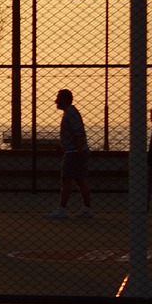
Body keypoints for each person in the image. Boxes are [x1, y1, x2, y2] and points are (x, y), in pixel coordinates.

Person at [47, 89, 93, 219]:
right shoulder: (71, 112)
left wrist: (78, 151)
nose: (56, 101)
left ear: (63, 99)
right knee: (80, 180)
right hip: (75, 151)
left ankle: (62, 209)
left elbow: (77, 133)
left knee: (66, 179)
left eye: (58, 98)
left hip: (74, 153)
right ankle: (87, 208)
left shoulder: (70, 113)